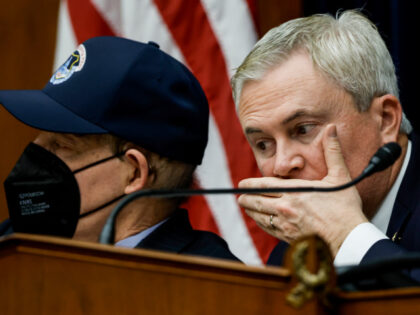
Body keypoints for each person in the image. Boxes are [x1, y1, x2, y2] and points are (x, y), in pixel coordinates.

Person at [0, 36, 238, 261]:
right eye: (38, 138)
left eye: (61, 145)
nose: (34, 151)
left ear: (134, 172)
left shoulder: (209, 285)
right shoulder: (11, 244)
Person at [230, 9, 419, 269]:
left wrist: (346, 237)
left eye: (303, 129)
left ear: (385, 119)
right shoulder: (288, 255)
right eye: (263, 144)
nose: (281, 165)